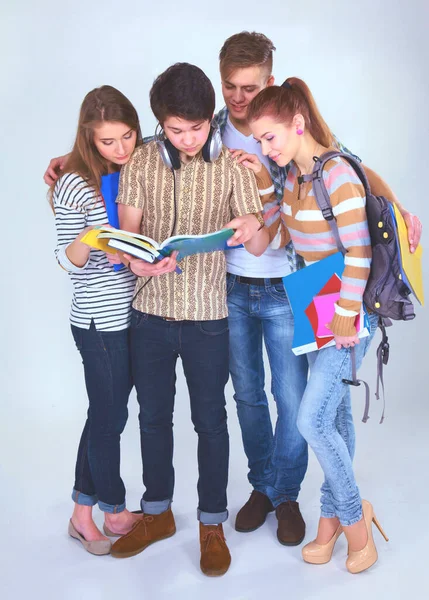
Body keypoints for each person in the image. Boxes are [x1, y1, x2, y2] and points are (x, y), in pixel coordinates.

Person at [106, 63, 271, 576]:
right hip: (149, 313)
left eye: (197, 128)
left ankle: (211, 522)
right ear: (160, 123)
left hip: (207, 316)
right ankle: (156, 513)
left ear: (209, 120)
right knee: (152, 419)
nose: (189, 138)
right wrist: (137, 259)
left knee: (210, 421)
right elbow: (125, 236)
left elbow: (261, 243)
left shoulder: (232, 168)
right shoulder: (140, 164)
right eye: (177, 130)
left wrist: (253, 225)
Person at [245, 78, 392, 573]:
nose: (266, 147)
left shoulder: (336, 174)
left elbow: (359, 251)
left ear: (298, 124)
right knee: (336, 419)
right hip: (313, 298)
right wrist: (262, 180)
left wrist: (348, 315)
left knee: (310, 420)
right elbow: (275, 233)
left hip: (346, 308)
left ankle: (355, 519)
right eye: (259, 141)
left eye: (270, 137)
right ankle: (328, 518)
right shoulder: (291, 177)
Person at [50, 85, 143, 555]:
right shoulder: (72, 182)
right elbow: (67, 262)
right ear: (89, 138)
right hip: (97, 322)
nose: (121, 149)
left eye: (127, 136)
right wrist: (92, 236)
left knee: (104, 414)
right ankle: (113, 509)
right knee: (109, 418)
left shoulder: (130, 168)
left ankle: (80, 513)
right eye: (108, 142)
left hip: (129, 314)